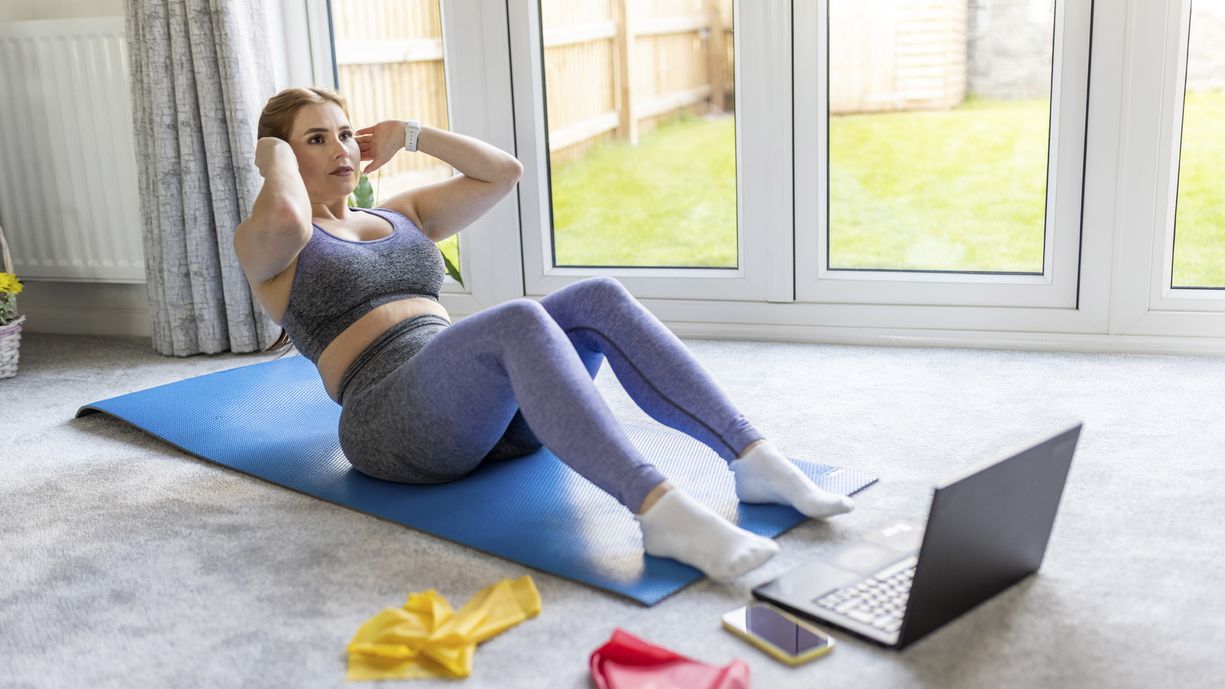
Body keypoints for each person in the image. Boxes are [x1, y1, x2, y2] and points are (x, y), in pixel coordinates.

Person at [233, 87, 854, 580]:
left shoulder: (401, 213)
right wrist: (273, 155)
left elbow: (502, 173)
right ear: (284, 158)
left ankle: (753, 459)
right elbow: (287, 210)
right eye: (317, 140)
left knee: (597, 297)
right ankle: (660, 510)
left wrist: (412, 135)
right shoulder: (274, 243)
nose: (341, 148)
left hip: (491, 416)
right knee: (519, 319)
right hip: (391, 423)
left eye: (345, 132)